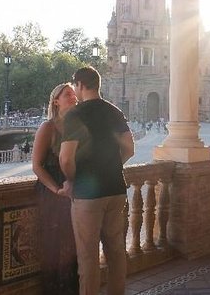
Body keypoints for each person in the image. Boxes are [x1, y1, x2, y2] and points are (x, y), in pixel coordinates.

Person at [59, 66, 134, 295]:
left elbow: (65, 158)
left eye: (75, 87)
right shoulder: (114, 111)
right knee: (116, 251)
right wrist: (111, 166)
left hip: (87, 195)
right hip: (116, 188)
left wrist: (73, 179)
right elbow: (130, 148)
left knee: (88, 256)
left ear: (80, 85)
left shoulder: (75, 114)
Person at [32, 83, 79, 294]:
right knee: (53, 246)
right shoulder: (48, 127)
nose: (73, 97)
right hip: (53, 194)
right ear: (56, 101)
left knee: (74, 245)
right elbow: (37, 165)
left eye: (74, 94)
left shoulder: (78, 126)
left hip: (75, 191)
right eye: (67, 94)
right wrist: (55, 189)